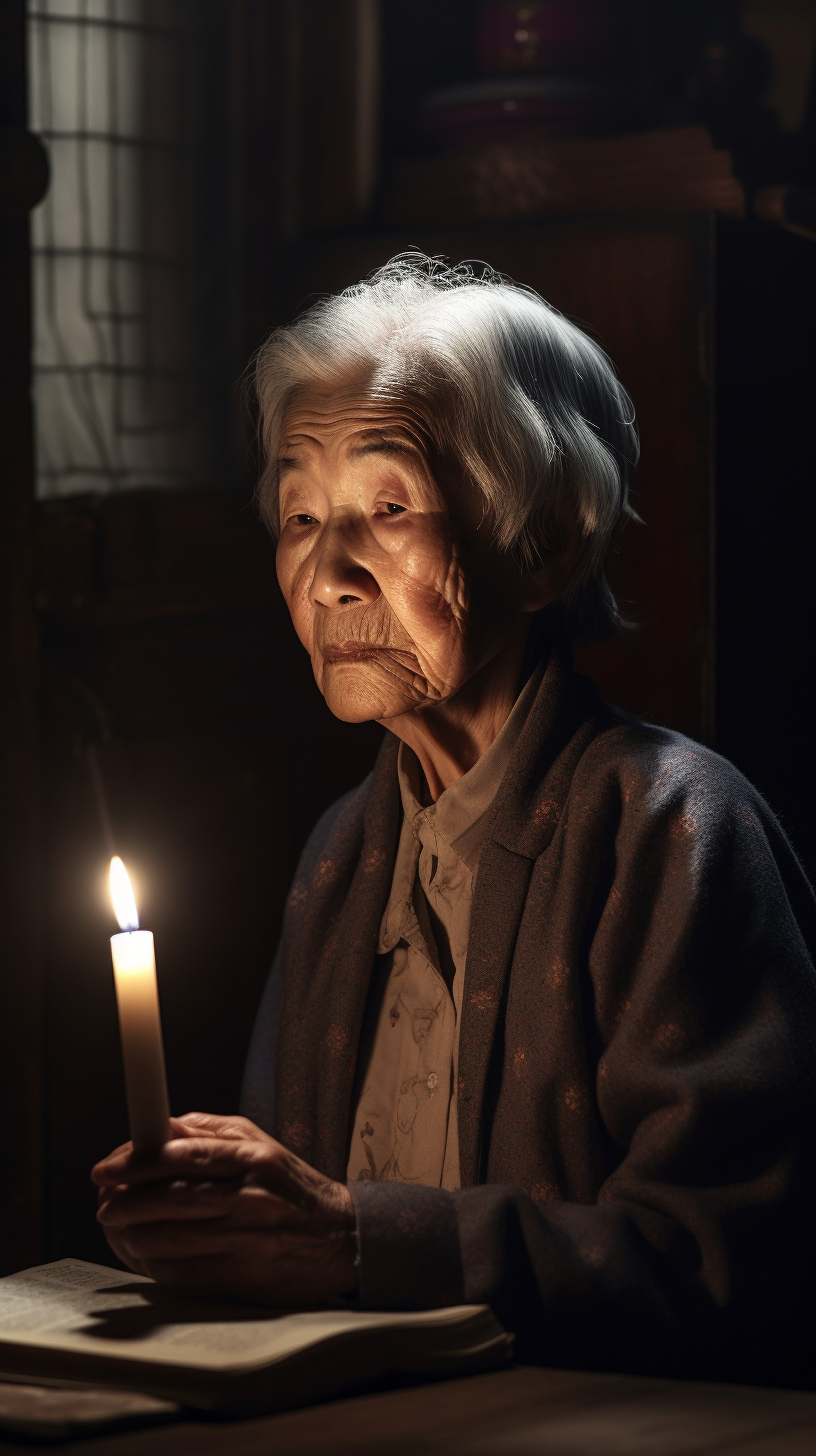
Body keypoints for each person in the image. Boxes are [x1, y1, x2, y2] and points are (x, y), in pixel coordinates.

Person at [93, 254, 816, 1385]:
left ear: (547, 544)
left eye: (386, 507)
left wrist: (353, 1239)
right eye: (298, 515)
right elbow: (303, 1238)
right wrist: (219, 1225)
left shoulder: (672, 828)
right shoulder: (341, 853)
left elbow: (731, 1263)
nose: (328, 572)